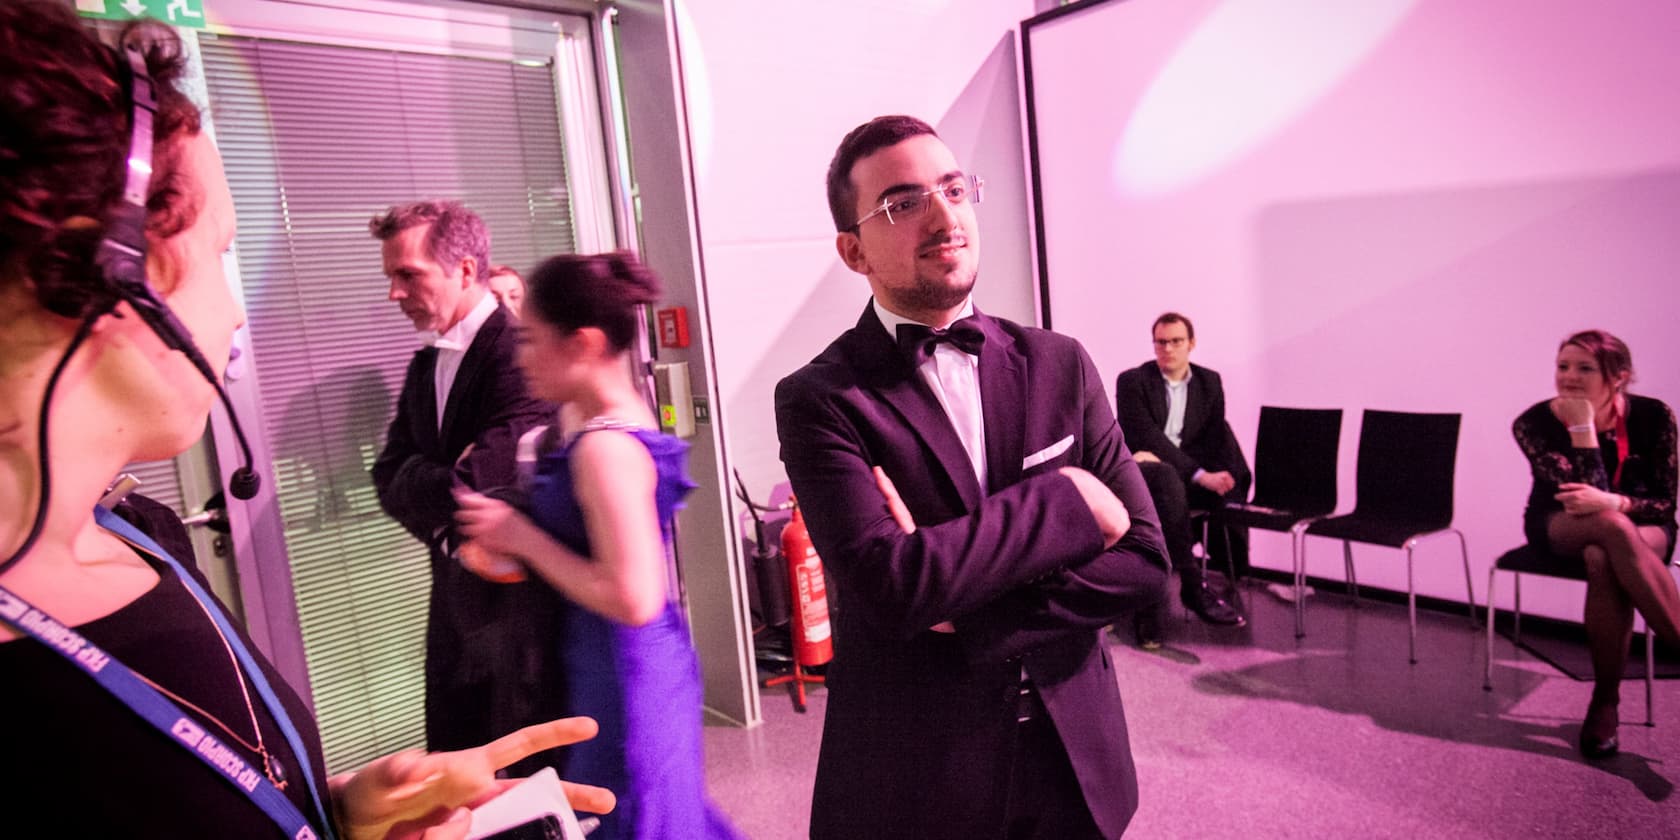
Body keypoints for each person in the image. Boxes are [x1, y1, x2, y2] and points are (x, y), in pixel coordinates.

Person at [0, 5, 613, 837]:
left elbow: (457, 477)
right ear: (106, 275)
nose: (237, 316)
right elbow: (396, 476)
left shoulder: (137, 536)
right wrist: (437, 487)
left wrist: (341, 813)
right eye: (219, 256)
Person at [773, 115, 1169, 839]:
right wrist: (1067, 500)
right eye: (904, 202)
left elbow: (1145, 564)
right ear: (853, 251)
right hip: (919, 775)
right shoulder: (821, 399)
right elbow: (891, 593)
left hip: (1074, 757)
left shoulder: (1060, 363)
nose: (945, 214)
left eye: (953, 187)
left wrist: (962, 599)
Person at [453, 252, 743, 840]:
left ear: (582, 344)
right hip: (623, 659)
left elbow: (633, 595)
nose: (519, 355)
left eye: (530, 339)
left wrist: (523, 539)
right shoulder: (603, 417)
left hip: (624, 673)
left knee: (632, 819)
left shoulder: (603, 449)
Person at [368, 201, 564, 763]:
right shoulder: (424, 365)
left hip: (517, 617)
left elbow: (485, 482)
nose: (394, 294)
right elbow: (385, 477)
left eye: (408, 275)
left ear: (466, 271)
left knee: (521, 778)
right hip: (452, 610)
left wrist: (432, 480)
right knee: (458, 772)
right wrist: (445, 490)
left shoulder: (521, 353)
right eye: (390, 277)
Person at [1513, 329, 1679, 759]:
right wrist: (1584, 425)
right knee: (1608, 529)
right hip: (1558, 524)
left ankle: (1605, 703)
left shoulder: (1655, 416)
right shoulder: (1533, 423)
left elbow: (1665, 501)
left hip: (1645, 522)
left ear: (1619, 376)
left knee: (1603, 555)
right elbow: (1581, 500)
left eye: (1584, 368)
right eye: (1562, 365)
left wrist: (1617, 502)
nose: (1568, 376)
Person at [1114, 312, 1249, 646]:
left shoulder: (1210, 382)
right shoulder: (1132, 381)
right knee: (1162, 476)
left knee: (1181, 491)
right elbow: (1144, 436)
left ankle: (1153, 612)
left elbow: (1212, 437)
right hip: (1144, 475)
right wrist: (1200, 475)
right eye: (1160, 342)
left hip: (1183, 480)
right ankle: (1191, 583)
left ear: (1191, 344)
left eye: (1175, 341)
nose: (1167, 348)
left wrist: (1210, 475)